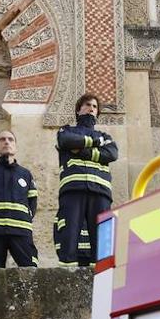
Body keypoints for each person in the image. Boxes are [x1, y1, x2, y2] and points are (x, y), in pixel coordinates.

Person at [54, 93, 117, 267]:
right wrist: (95, 143)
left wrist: (82, 150)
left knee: (102, 240)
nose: (91, 108)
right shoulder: (66, 131)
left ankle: (102, 276)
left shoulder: (106, 136)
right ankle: (67, 276)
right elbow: (66, 141)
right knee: (69, 235)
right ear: (78, 109)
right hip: (73, 189)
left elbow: (112, 153)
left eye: (95, 107)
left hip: (100, 192)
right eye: (88, 105)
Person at [0, 130, 38, 268]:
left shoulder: (25, 174)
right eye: (2, 139)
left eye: (10, 139)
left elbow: (32, 202)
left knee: (30, 269)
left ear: (15, 146)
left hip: (21, 230)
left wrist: (25, 218)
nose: (6, 142)